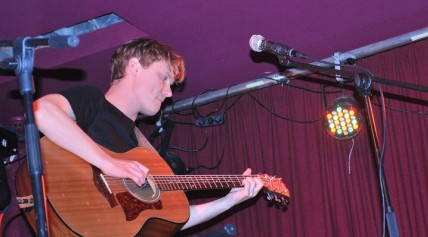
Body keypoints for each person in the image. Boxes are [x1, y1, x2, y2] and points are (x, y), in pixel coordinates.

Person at [33, 38, 264, 234]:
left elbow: (172, 217)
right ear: (134, 66)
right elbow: (41, 112)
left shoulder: (142, 149)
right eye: (163, 78)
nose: (169, 92)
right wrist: (108, 163)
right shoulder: (93, 102)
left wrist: (229, 200)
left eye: (171, 84)